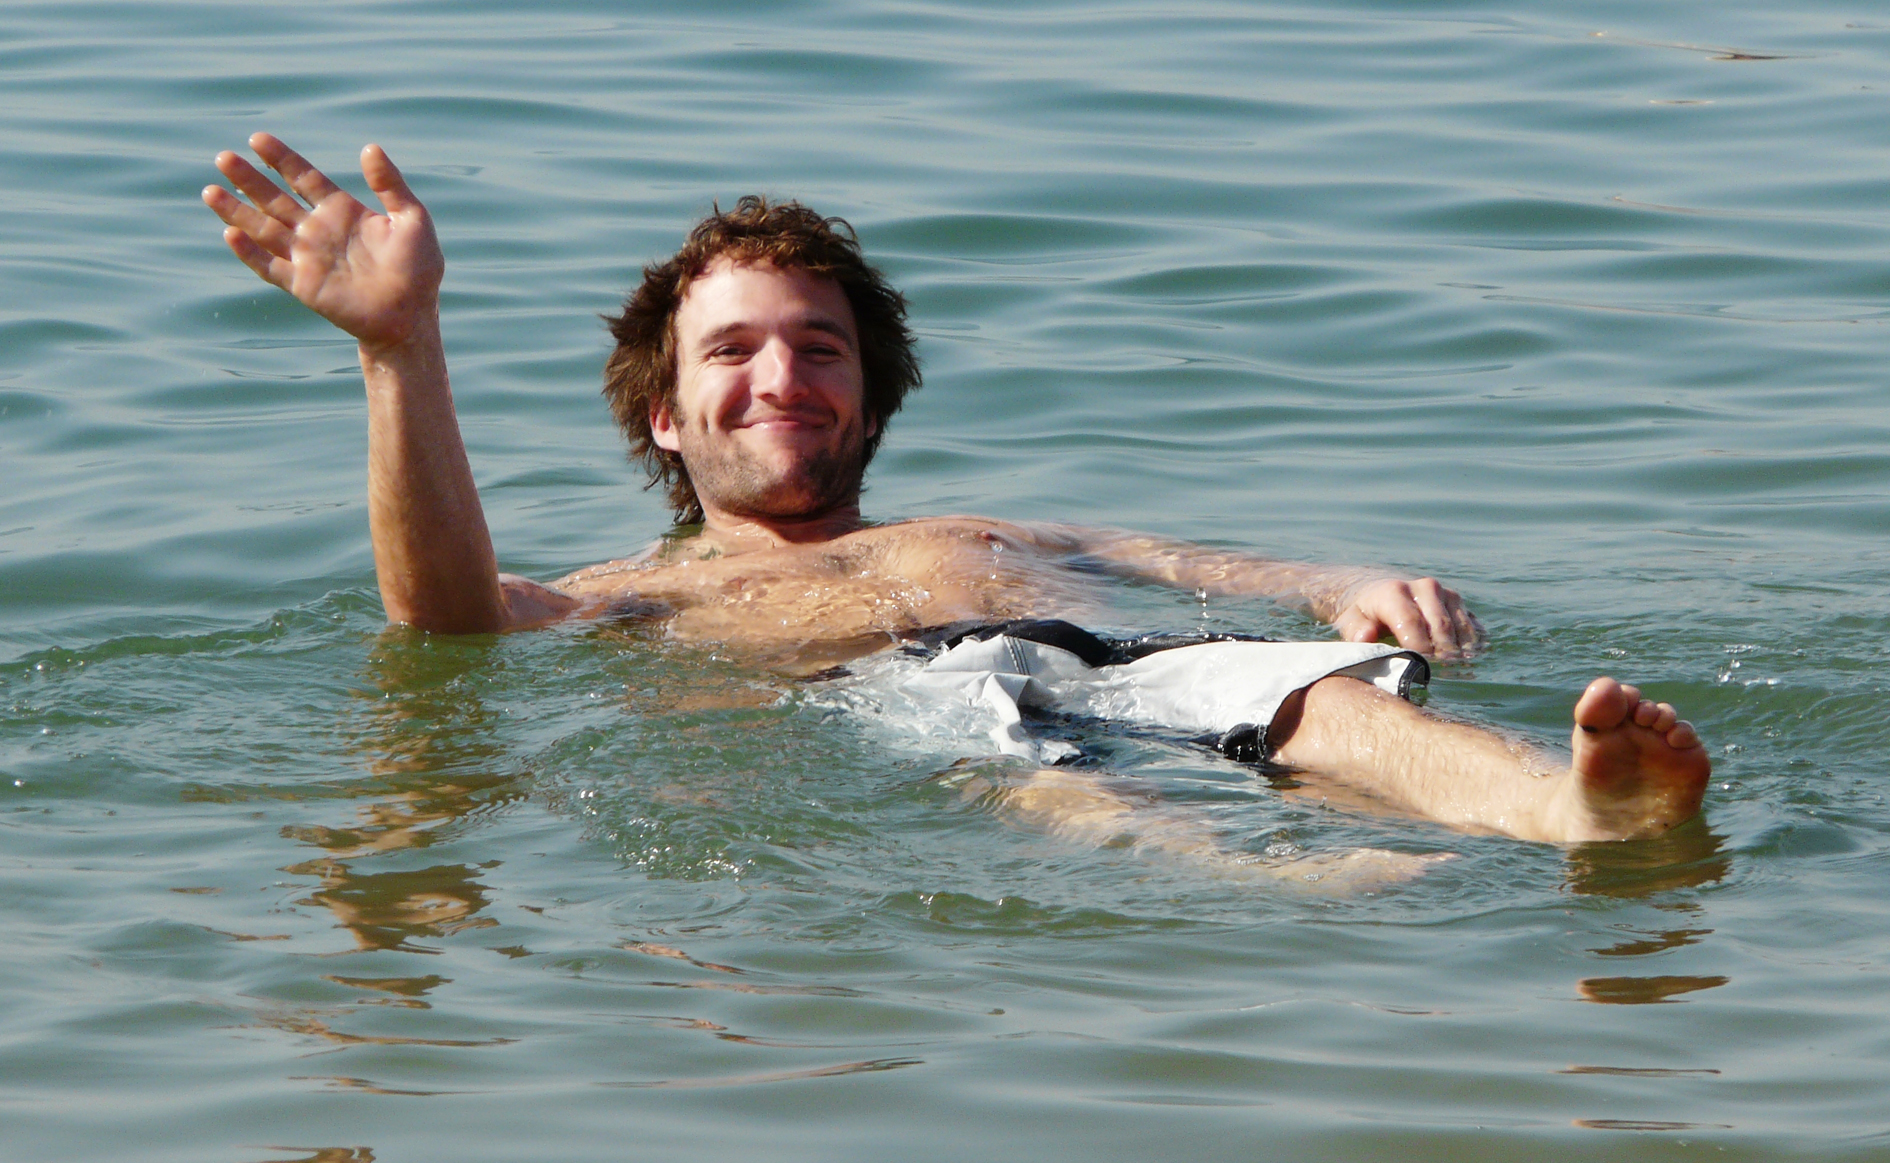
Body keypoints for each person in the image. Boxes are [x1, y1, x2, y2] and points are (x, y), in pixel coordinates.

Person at [202, 134, 1710, 846]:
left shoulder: (1000, 528)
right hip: (906, 697)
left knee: (1329, 703)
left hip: (1128, 662)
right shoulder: (629, 592)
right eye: (732, 353)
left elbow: (1224, 574)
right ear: (663, 416)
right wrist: (401, 350)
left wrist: (1338, 587)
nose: (781, 373)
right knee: (1016, 761)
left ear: (871, 391)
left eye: (819, 346)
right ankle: (1271, 891)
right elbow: (449, 619)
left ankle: (1576, 815)